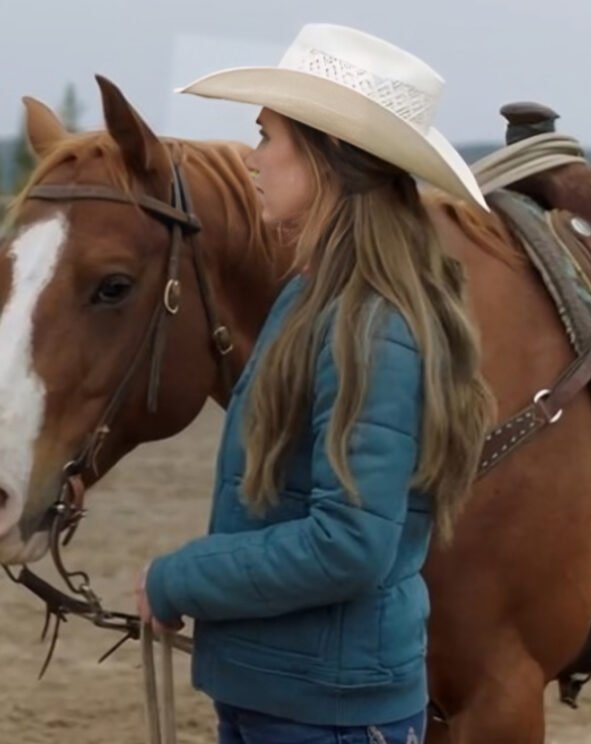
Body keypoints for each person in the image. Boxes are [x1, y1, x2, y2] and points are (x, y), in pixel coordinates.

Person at [136, 23, 493, 744]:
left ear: (327, 157)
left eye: (267, 135)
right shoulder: (313, 300)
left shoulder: (372, 328)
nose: (251, 156)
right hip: (288, 697)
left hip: (322, 715)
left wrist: (181, 578)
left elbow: (348, 545)